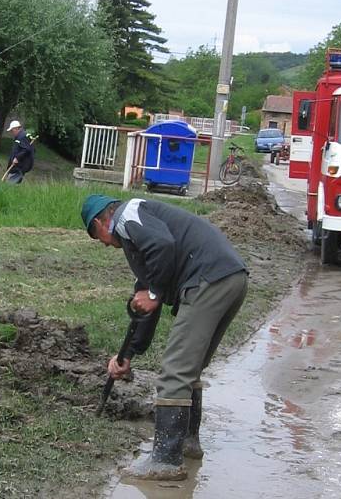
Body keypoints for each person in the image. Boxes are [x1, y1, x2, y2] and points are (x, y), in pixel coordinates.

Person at [80, 194, 248, 481]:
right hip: (231, 277)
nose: (106, 245)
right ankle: (187, 443)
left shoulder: (128, 215)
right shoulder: (141, 240)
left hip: (207, 280)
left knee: (174, 373)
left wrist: (155, 293)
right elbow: (147, 306)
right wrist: (126, 357)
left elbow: (163, 247)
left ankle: (166, 461)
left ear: (100, 223)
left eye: (98, 238)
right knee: (189, 368)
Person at [4, 120, 34, 184]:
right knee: (11, 185)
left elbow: (27, 149)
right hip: (16, 167)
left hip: (19, 168)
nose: (12, 132)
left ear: (16, 128)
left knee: (9, 185)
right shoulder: (20, 136)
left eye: (12, 130)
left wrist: (17, 158)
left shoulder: (22, 137)